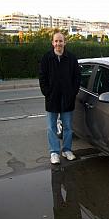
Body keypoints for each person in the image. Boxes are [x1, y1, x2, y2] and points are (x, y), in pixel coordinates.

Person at [39, 31, 81, 164]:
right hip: (52, 99)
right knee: (51, 127)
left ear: (65, 42)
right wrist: (47, 92)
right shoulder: (47, 58)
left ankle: (67, 150)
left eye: (60, 41)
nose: (58, 43)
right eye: (56, 41)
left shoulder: (72, 58)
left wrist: (72, 92)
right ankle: (54, 152)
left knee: (68, 127)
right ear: (52, 43)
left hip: (67, 99)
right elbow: (42, 77)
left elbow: (77, 78)